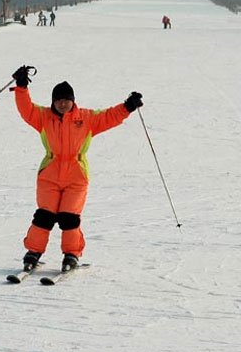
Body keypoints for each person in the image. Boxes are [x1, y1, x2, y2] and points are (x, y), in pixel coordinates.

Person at [11, 66, 143, 271]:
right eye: (59, 100)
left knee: (69, 217)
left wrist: (127, 106)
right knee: (44, 216)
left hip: (76, 176)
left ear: (73, 101)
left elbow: (109, 116)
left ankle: (71, 253)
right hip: (49, 175)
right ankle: (34, 251)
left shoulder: (87, 118)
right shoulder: (44, 117)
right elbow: (26, 109)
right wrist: (21, 87)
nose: (63, 104)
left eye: (67, 100)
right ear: (53, 101)